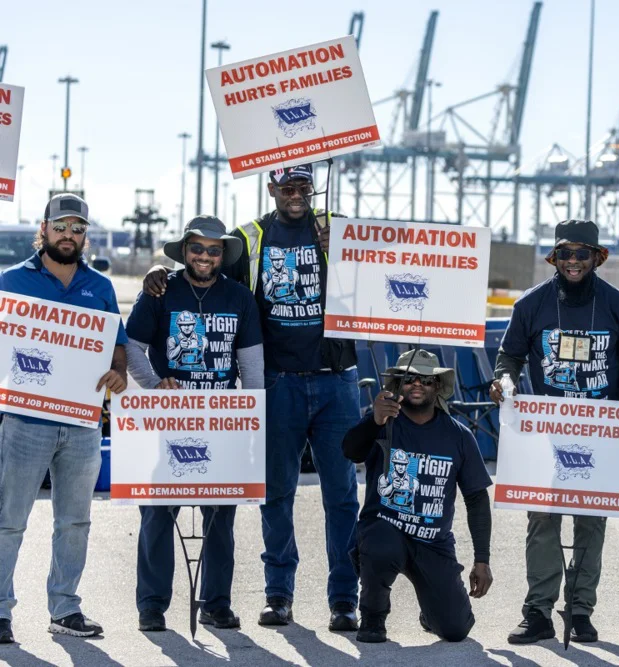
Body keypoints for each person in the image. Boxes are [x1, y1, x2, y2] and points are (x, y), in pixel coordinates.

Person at [143, 163, 362, 631]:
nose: (296, 194)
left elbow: (381, 289)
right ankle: (278, 596)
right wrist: (158, 271)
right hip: (279, 382)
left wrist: (343, 257)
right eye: (288, 186)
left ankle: (345, 600)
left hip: (336, 380)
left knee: (342, 496)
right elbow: (204, 269)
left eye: (304, 186)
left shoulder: (341, 230)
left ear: (313, 188)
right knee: (275, 494)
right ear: (272, 189)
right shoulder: (250, 237)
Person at [490, 219, 619, 644]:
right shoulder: (531, 305)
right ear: (555, 257)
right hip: (546, 431)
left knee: (590, 522)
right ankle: (538, 611)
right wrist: (504, 385)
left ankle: (580, 611)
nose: (573, 262)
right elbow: (507, 359)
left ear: (597, 258)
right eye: (565, 253)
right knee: (541, 520)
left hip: (599, 431)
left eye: (582, 254)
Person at [0, 194, 128, 643]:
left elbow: (116, 343)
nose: (68, 235)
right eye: (61, 227)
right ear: (44, 228)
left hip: (82, 422)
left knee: (74, 521)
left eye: (77, 228)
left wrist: (119, 371)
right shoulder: (11, 282)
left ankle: (64, 609)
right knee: (8, 518)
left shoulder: (101, 286)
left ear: (84, 234)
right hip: (24, 421)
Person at [126, 216, 264, 632]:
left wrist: (250, 422)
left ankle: (216, 603)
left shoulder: (239, 297)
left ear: (223, 255)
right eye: (197, 248)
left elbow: (252, 366)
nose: (204, 256)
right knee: (156, 513)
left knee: (220, 516)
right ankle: (152, 606)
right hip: (168, 419)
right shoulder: (159, 291)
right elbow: (132, 347)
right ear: (184, 250)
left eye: (213, 250)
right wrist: (154, 384)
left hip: (222, 421)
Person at [342, 350, 493, 643]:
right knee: (381, 541)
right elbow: (350, 451)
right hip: (386, 531)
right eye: (409, 378)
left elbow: (476, 499)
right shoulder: (383, 421)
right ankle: (373, 616)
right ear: (398, 384)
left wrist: (482, 560)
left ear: (437, 386)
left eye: (426, 379)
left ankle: (430, 612)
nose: (417, 384)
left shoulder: (459, 435)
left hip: (433, 542)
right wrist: (373, 420)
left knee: (455, 630)